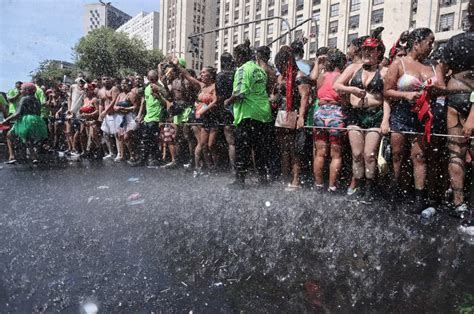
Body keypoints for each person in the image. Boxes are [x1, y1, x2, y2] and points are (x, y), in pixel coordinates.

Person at [384, 27, 441, 213]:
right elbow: (387, 91)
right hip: (401, 116)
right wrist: (406, 95)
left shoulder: (432, 66)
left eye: (432, 43)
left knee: (419, 157)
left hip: (423, 117)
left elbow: (441, 89)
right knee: (397, 156)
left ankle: (419, 198)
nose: (431, 46)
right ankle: (394, 191)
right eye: (429, 42)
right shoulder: (399, 64)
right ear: (416, 43)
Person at [334, 36, 389, 203]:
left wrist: (385, 119)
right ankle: (359, 185)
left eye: (370, 49)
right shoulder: (353, 68)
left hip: (375, 115)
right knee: (357, 154)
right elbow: (336, 85)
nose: (366, 52)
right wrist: (352, 89)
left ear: (378, 52)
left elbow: (387, 98)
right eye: (364, 49)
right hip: (355, 115)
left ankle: (370, 189)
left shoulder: (385, 71)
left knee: (369, 155)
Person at [436, 7, 474, 219]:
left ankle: (459, 203)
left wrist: (444, 87)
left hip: (456, 96)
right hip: (462, 97)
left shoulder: (455, 41)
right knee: (459, 154)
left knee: (455, 153)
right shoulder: (456, 41)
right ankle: (462, 202)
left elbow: (441, 72)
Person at [224, 39, 273, 188]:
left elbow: (240, 93)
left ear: (239, 57)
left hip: (247, 115)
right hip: (263, 114)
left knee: (243, 149)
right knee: (260, 149)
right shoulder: (260, 70)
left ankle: (240, 181)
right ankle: (263, 179)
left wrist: (228, 101)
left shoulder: (243, 70)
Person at [273, 45, 312, 191]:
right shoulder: (280, 77)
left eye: (281, 65)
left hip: (295, 114)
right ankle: (284, 178)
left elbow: (305, 97)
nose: (279, 68)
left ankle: (296, 180)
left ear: (287, 63)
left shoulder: (300, 76)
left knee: (295, 150)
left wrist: (301, 116)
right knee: (284, 149)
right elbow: (278, 95)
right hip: (282, 115)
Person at [311, 49, 347, 192]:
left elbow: (316, 91)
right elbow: (345, 100)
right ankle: (332, 187)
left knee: (320, 152)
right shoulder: (342, 77)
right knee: (336, 154)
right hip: (336, 114)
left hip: (320, 113)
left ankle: (319, 185)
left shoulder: (322, 76)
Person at [174, 63, 218, 176]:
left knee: (211, 145)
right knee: (203, 144)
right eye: (201, 72)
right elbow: (188, 76)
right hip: (202, 119)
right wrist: (177, 65)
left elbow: (215, 102)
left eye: (204, 72)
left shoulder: (214, 87)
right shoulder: (201, 86)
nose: (201, 74)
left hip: (213, 118)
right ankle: (204, 167)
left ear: (211, 75)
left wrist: (203, 110)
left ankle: (215, 167)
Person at [0, 83, 48, 163]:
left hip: (25, 120)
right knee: (28, 139)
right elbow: (38, 112)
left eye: (21, 89)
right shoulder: (36, 99)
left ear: (26, 91)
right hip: (36, 120)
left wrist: (6, 120)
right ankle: (34, 157)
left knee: (9, 135)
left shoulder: (24, 99)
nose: (20, 91)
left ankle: (12, 157)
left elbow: (17, 113)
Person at [136, 70, 165, 166]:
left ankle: (154, 159)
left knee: (153, 140)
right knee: (145, 139)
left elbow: (166, 101)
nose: (153, 81)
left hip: (156, 117)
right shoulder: (147, 88)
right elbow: (143, 102)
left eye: (154, 79)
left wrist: (159, 92)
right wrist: (140, 114)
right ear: (148, 78)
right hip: (147, 118)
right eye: (151, 79)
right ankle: (145, 159)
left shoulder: (160, 87)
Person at [215, 53, 237, 170]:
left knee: (230, 142)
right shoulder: (235, 73)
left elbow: (218, 97)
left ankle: (232, 168)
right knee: (239, 139)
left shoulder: (220, 76)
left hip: (224, 109)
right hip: (238, 108)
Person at [114, 78, 139, 162]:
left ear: (129, 84)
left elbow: (135, 107)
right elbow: (114, 106)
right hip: (121, 117)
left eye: (125, 83)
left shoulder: (131, 94)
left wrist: (125, 109)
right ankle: (122, 155)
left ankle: (133, 155)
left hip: (130, 117)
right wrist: (118, 108)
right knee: (120, 136)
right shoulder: (120, 95)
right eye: (122, 83)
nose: (123, 85)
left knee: (127, 136)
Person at [98, 75, 120, 160]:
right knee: (105, 134)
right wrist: (100, 114)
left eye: (107, 79)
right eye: (104, 79)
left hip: (115, 114)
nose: (106, 80)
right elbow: (101, 104)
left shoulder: (114, 89)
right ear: (102, 81)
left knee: (116, 134)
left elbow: (114, 101)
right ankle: (111, 152)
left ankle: (119, 153)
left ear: (110, 80)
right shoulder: (100, 91)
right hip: (106, 115)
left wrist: (105, 111)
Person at [67, 76, 86, 157]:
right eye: (79, 81)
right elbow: (69, 98)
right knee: (71, 131)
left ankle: (78, 149)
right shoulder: (73, 87)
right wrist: (69, 109)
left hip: (81, 112)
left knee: (80, 131)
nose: (81, 82)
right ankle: (74, 149)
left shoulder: (85, 89)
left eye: (82, 81)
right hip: (72, 111)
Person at [79, 82, 100, 157]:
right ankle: (86, 151)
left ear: (91, 90)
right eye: (85, 90)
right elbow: (82, 109)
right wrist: (80, 113)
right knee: (82, 135)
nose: (85, 91)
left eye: (87, 89)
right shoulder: (85, 99)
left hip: (92, 120)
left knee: (93, 136)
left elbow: (98, 111)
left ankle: (99, 150)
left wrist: (89, 114)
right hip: (84, 120)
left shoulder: (94, 99)